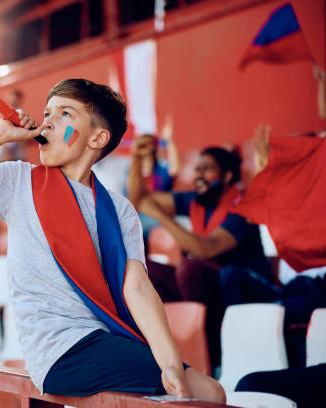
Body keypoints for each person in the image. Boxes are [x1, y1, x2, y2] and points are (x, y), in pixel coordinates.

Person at [0, 78, 225, 402]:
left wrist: (169, 363)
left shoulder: (119, 210)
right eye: (47, 112)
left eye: (65, 113)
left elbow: (136, 288)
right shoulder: (19, 181)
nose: (48, 121)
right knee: (209, 393)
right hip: (59, 351)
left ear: (98, 138)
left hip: (104, 341)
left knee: (208, 393)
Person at [128, 145, 270, 366]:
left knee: (190, 269)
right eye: (197, 169)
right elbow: (139, 201)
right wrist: (137, 159)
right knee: (146, 270)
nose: (199, 175)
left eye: (207, 169)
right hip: (210, 290)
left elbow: (207, 249)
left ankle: (212, 355)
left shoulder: (242, 206)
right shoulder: (195, 200)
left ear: (227, 176)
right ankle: (170, 345)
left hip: (247, 287)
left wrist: (162, 217)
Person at [220, 126, 326, 326]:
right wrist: (266, 163)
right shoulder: (281, 203)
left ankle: (261, 322)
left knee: (275, 313)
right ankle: (246, 330)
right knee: (230, 275)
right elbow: (264, 199)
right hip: (285, 291)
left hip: (318, 291)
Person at [127, 115, 179, 242]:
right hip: (139, 215)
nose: (147, 150)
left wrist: (170, 141)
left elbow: (175, 169)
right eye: (143, 146)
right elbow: (130, 199)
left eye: (150, 145)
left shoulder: (160, 168)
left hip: (159, 214)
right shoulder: (133, 171)